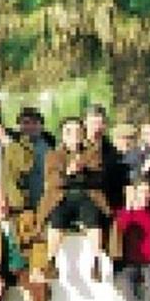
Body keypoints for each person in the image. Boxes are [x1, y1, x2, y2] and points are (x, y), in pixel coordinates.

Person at [38, 116, 110, 282]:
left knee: (93, 219)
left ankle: (96, 259)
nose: (74, 135)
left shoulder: (91, 153)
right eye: (69, 132)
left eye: (78, 131)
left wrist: (83, 172)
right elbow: (53, 180)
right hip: (62, 197)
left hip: (87, 195)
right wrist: (68, 173)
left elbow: (99, 178)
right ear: (63, 135)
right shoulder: (54, 155)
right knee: (57, 219)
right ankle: (51, 260)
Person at [84, 103, 127, 212]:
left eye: (100, 123)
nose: (97, 127)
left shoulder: (112, 151)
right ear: (85, 123)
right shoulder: (76, 147)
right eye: (93, 123)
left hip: (109, 203)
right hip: (84, 202)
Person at [18, 107, 54, 210]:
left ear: (41, 125)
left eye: (34, 123)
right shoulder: (13, 146)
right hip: (21, 204)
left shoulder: (50, 147)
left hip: (45, 202)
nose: (30, 126)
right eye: (26, 123)